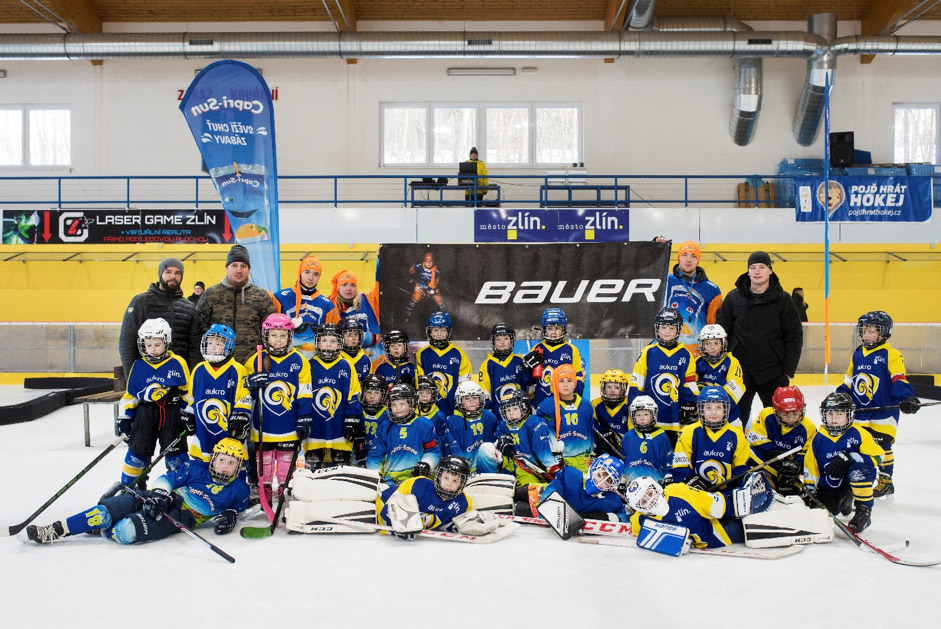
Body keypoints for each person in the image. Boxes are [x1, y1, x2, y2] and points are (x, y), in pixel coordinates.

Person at [20, 438, 250, 545]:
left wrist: (231, 516)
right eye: (221, 460)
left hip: (180, 518)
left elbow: (239, 509)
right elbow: (165, 479)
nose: (225, 466)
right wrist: (160, 495)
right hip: (160, 499)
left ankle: (103, 530)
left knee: (126, 532)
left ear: (239, 466)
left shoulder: (238, 488)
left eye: (231, 463)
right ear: (213, 460)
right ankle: (55, 530)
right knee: (101, 512)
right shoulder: (196, 467)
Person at [835, 311, 920, 498]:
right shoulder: (858, 354)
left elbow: (898, 378)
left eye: (871, 331)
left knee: (882, 445)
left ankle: (886, 480)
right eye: (864, 331)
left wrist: (907, 397)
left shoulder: (891, 354)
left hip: (884, 411)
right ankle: (858, 476)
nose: (866, 335)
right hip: (860, 412)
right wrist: (841, 395)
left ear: (883, 333)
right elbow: (849, 380)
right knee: (857, 444)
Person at [716, 251, 803, 425]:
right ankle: (736, 451)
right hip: (740, 372)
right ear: (748, 271)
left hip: (773, 372)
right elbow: (722, 332)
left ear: (770, 271)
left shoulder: (783, 300)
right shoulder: (734, 298)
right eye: (753, 267)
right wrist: (724, 364)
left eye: (762, 267)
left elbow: (794, 336)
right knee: (735, 420)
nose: (757, 271)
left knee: (778, 420)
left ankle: (777, 451)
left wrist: (787, 370)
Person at [244, 313, 312, 504]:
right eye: (274, 335)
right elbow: (242, 388)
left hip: (288, 425)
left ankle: (284, 489)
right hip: (264, 425)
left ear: (290, 337)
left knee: (285, 461)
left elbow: (305, 392)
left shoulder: (299, 361)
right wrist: (249, 383)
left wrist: (304, 417)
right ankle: (264, 491)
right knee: (263, 461)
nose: (278, 340)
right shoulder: (255, 359)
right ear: (265, 336)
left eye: (283, 335)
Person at [117, 318, 190, 488]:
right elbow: (131, 394)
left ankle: (178, 487)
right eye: (148, 345)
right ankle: (131, 487)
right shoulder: (138, 365)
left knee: (176, 455)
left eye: (157, 345)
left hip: (171, 415)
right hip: (145, 414)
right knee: (137, 453)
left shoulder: (178, 363)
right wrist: (126, 417)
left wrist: (189, 415)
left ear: (166, 342)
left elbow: (187, 392)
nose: (153, 350)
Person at [802, 392, 885, 533]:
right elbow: (811, 467)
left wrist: (851, 457)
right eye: (830, 414)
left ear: (849, 415)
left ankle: (863, 511)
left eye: (839, 414)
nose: (834, 418)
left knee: (859, 472)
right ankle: (845, 501)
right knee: (827, 511)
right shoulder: (818, 439)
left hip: (851, 478)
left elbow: (879, 457)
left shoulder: (859, 434)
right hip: (830, 484)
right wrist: (810, 490)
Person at [192, 244, 276, 366]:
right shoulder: (211, 295)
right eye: (234, 265)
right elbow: (198, 331)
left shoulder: (261, 296)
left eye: (243, 266)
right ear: (226, 268)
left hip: (251, 366)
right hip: (217, 365)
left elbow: (270, 332)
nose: (239, 270)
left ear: (249, 269)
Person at [482, 389, 561, 515]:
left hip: (530, 471)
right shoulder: (503, 425)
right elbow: (495, 448)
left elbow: (543, 453)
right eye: (507, 410)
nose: (511, 413)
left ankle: (521, 506)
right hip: (509, 470)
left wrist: (554, 469)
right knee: (485, 449)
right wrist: (499, 442)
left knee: (527, 491)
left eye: (514, 409)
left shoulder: (534, 423)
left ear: (524, 408)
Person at [672, 386, 754, 505]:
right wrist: (689, 481)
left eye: (719, 407)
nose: (714, 412)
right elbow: (680, 467)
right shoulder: (688, 433)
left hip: (726, 495)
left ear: (726, 410)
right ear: (701, 409)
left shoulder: (737, 435)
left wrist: (746, 481)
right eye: (708, 407)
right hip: (696, 493)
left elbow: (741, 469)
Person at [628, 306, 697, 447]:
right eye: (664, 327)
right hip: (650, 415)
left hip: (675, 416)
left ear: (678, 330)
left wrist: (689, 403)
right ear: (657, 329)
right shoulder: (648, 352)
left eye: (672, 328)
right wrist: (634, 405)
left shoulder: (685, 354)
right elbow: (637, 383)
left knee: (672, 452)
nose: (667, 331)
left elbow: (689, 383)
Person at [119, 257, 196, 379]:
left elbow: (194, 345)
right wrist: (131, 377)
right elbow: (127, 341)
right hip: (147, 375)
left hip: (178, 377)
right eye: (168, 272)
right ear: (160, 274)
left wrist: (191, 376)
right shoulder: (140, 302)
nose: (173, 276)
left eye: (177, 273)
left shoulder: (189, 307)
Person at [186, 324, 252, 462]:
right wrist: (188, 415)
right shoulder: (198, 369)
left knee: (231, 463)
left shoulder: (238, 370)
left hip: (230, 430)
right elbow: (190, 396)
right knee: (202, 465)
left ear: (229, 346)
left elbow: (244, 398)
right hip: (203, 430)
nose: (212, 347)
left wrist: (240, 419)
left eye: (218, 343)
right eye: (209, 343)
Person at [623, 475, 744, 551]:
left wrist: (736, 503)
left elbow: (720, 506)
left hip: (720, 533)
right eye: (644, 501)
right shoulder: (642, 521)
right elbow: (635, 524)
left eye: (650, 494)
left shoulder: (678, 491)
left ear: (656, 488)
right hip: (698, 557)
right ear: (640, 508)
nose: (651, 500)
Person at [305, 323, 363, 469]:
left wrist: (351, 421)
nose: (328, 345)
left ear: (339, 344)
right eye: (324, 341)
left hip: (340, 426)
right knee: (313, 466)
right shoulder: (309, 365)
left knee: (341, 465)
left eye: (333, 341)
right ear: (317, 342)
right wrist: (303, 418)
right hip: (315, 427)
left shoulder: (346, 365)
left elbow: (354, 394)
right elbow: (303, 395)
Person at [366, 383, 441, 486]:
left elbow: (433, 451)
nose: (398, 408)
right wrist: (377, 475)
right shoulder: (384, 427)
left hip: (418, 480)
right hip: (390, 481)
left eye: (402, 404)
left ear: (411, 404)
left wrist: (426, 463)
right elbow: (374, 457)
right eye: (394, 405)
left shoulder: (424, 424)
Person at [747, 386, 814, 495]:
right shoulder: (766, 415)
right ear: (777, 411)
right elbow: (755, 438)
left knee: (792, 491)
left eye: (795, 413)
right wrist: (773, 453)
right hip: (765, 463)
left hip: (786, 470)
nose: (791, 418)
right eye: (785, 414)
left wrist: (795, 466)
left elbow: (806, 454)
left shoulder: (808, 428)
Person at [665, 240, 723, 351]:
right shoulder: (664, 280)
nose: (688, 260)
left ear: (698, 261)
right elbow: (644, 270)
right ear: (679, 258)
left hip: (696, 353)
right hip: (665, 349)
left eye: (693, 256)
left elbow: (713, 326)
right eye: (684, 255)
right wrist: (657, 246)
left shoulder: (711, 289)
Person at [536, 363, 595, 472]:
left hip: (583, 460)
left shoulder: (586, 405)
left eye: (569, 380)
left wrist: (590, 454)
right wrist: (553, 458)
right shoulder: (547, 406)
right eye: (561, 381)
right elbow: (543, 436)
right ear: (555, 383)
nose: (565, 385)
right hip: (559, 461)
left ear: (575, 383)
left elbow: (590, 433)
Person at [274, 256, 335, 357]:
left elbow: (332, 337)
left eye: (315, 274)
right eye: (307, 272)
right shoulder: (280, 298)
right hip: (286, 357)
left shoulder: (327, 305)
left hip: (316, 360)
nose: (310, 278)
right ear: (300, 272)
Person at [415, 310, 473, 416]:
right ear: (429, 332)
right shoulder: (421, 354)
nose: (439, 334)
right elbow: (418, 382)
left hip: (452, 408)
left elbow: (464, 382)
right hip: (428, 410)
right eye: (435, 330)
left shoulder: (458, 354)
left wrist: (459, 402)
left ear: (448, 332)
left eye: (443, 330)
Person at [525, 308, 586, 409]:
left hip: (563, 403)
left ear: (563, 329)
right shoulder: (536, 349)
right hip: (540, 402)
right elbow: (530, 380)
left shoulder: (571, 350)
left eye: (557, 328)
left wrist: (572, 401)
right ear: (544, 329)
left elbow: (577, 378)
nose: (553, 332)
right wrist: (527, 370)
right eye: (550, 328)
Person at [537, 454, 628, 522]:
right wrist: (550, 506)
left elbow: (623, 516)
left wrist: (609, 517)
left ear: (613, 486)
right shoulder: (570, 474)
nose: (600, 481)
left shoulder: (612, 500)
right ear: (593, 467)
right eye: (600, 474)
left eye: (608, 481)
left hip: (568, 518)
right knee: (523, 495)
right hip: (537, 497)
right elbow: (553, 488)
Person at [694, 324, 745, 427]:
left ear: (723, 344)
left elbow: (737, 388)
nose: (712, 347)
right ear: (702, 345)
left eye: (716, 343)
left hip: (729, 413)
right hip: (705, 412)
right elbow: (691, 385)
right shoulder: (698, 362)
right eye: (708, 343)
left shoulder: (731, 362)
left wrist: (719, 408)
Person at [444, 381, 499, 474]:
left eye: (475, 397)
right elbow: (453, 448)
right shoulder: (453, 421)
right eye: (467, 398)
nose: (471, 401)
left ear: (481, 399)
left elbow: (496, 440)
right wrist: (462, 468)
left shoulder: (489, 416)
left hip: (487, 468)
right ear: (459, 400)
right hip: (465, 470)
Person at [621, 395, 674, 485]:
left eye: (646, 414)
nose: (642, 418)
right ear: (632, 416)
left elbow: (668, 461)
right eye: (638, 414)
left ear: (653, 415)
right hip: (631, 484)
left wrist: (668, 477)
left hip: (655, 484)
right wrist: (622, 481)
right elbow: (623, 461)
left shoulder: (661, 437)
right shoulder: (627, 436)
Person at [325, 268, 381, 350]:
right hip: (347, 357)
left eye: (352, 285)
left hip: (374, 356)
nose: (349, 288)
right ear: (338, 288)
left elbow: (381, 283)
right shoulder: (330, 307)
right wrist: (369, 338)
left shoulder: (368, 300)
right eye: (344, 285)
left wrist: (380, 258)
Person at [478, 322, 531, 407]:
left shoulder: (520, 360)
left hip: (520, 411)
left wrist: (530, 371)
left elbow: (528, 384)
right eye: (498, 339)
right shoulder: (487, 364)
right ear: (493, 341)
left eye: (506, 338)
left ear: (511, 341)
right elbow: (485, 392)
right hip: (497, 411)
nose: (502, 342)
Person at [591, 368, 631, 457]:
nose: (612, 390)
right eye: (609, 387)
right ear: (603, 388)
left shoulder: (629, 404)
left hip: (625, 449)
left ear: (623, 389)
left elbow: (633, 431)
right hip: (603, 449)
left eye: (617, 387)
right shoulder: (595, 403)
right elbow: (591, 425)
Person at [357, 374, 390, 466]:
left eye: (376, 393)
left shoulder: (388, 413)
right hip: (359, 453)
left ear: (383, 394)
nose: (372, 396)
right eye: (369, 392)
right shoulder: (357, 410)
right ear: (363, 393)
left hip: (380, 454)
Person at [404, 251, 444, 324]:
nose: (428, 263)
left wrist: (431, 289)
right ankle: (407, 315)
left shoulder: (436, 271)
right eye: (426, 261)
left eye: (430, 261)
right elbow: (411, 271)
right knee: (416, 296)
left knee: (438, 298)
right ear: (424, 261)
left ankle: (443, 314)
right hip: (420, 284)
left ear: (433, 262)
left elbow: (435, 283)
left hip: (431, 287)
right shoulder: (419, 266)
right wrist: (410, 277)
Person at [339, 317, 372, 383]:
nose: (354, 338)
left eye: (356, 334)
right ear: (341, 337)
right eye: (349, 335)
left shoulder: (365, 359)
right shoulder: (337, 358)